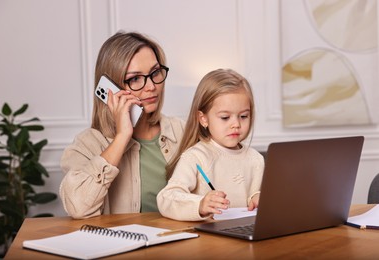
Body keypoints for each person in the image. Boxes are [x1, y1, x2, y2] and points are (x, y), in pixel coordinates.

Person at [59, 31, 185, 219]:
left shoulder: (182, 131)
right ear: (112, 89)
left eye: (155, 72)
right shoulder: (87, 144)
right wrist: (121, 137)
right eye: (135, 78)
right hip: (125, 247)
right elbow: (77, 207)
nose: (151, 86)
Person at [157, 69, 264, 221]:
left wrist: (257, 198)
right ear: (203, 119)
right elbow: (166, 198)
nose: (236, 124)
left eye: (243, 116)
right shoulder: (196, 157)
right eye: (225, 117)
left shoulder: (256, 159)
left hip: (245, 237)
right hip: (207, 240)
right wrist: (199, 205)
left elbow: (257, 199)